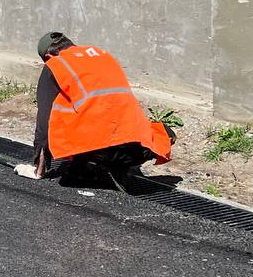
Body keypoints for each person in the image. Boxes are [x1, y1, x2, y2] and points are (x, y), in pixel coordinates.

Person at [18, 31, 173, 188]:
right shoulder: (103, 55)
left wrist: (38, 170)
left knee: (63, 112)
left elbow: (44, 123)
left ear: (48, 55)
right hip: (137, 146)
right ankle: (112, 165)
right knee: (160, 131)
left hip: (97, 148)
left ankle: (92, 165)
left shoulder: (56, 64)